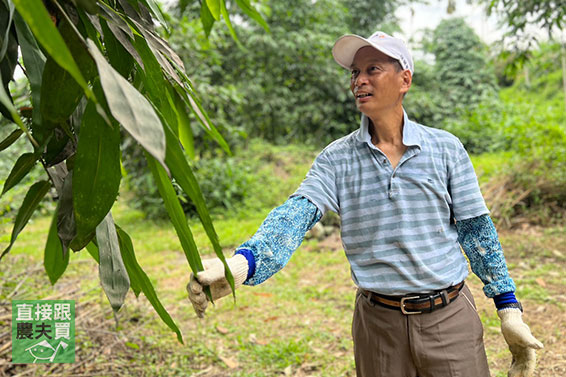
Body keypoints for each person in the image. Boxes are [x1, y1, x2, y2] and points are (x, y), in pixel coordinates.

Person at [187, 31, 543, 377]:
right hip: (378, 325)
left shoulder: (446, 149)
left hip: (448, 319)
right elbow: (296, 215)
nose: (359, 80)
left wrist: (508, 309)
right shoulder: (337, 158)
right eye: (355, 72)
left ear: (405, 79)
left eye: (373, 69)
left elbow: (476, 232)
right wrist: (241, 264)